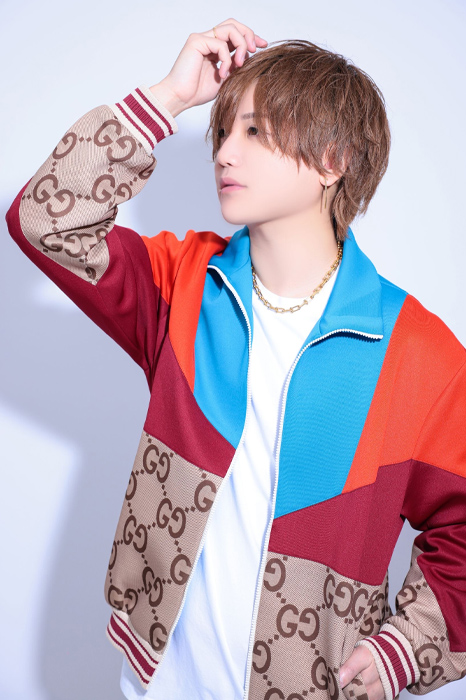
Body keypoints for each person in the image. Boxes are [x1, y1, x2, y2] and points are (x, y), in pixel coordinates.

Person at [6, 17, 466, 700]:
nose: (223, 151)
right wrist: (169, 96)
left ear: (333, 159)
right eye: (224, 131)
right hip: (156, 683)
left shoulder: (418, 353)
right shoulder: (183, 286)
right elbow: (46, 221)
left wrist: (405, 650)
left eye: (255, 131)